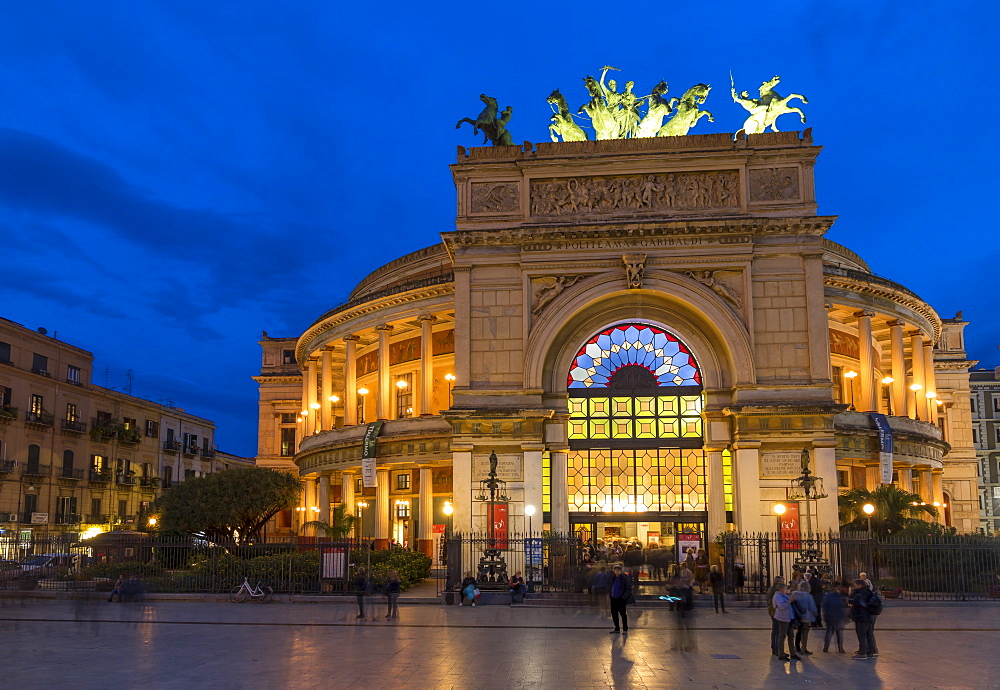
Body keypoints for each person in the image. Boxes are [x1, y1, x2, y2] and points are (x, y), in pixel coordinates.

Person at [849, 579, 877, 659]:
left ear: (860, 585)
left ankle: (862, 653)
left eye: (855, 585)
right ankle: (870, 652)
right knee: (869, 635)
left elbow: (855, 602)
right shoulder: (868, 592)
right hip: (869, 616)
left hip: (861, 617)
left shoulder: (859, 594)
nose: (854, 586)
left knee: (862, 635)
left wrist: (850, 602)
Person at [771, 583, 799, 661]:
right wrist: (789, 601)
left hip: (789, 618)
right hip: (782, 618)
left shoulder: (784, 595)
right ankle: (781, 654)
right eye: (785, 589)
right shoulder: (777, 596)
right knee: (782, 636)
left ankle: (793, 653)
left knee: (791, 636)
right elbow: (782, 606)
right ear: (780, 589)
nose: (786, 590)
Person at [790, 581, 817, 654]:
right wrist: (815, 614)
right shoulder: (808, 596)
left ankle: (797, 647)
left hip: (796, 616)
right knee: (805, 633)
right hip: (806, 617)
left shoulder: (794, 594)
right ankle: (804, 649)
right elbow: (812, 607)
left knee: (798, 632)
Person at [822, 583, 848, 653]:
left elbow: (844, 606)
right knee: (830, 632)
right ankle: (826, 647)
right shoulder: (830, 596)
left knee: (839, 633)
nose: (839, 588)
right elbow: (825, 606)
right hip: (831, 616)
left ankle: (840, 647)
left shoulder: (841, 596)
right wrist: (826, 615)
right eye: (837, 587)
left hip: (838, 616)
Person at [608, 564, 633, 634]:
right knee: (614, 614)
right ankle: (617, 628)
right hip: (613, 598)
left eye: (618, 570)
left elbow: (628, 588)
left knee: (623, 614)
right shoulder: (612, 578)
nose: (617, 572)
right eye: (615, 570)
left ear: (621, 571)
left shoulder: (624, 578)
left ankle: (625, 629)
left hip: (620, 598)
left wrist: (624, 596)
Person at [766, 576, 785, 656]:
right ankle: (775, 647)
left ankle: (774, 647)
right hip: (775, 611)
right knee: (777, 630)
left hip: (772, 611)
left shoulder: (771, 589)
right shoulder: (775, 590)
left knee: (775, 630)